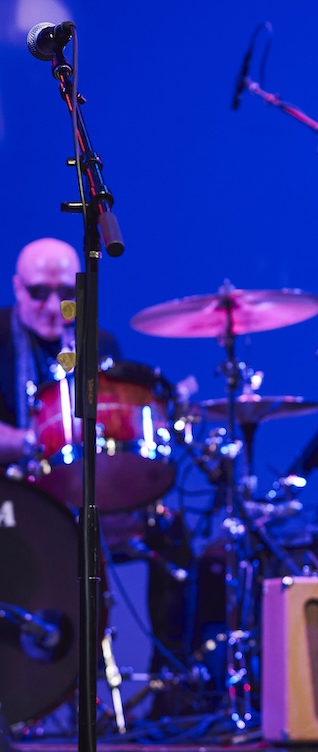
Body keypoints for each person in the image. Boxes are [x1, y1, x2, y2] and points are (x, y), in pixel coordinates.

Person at [0, 237, 192, 721]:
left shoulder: (100, 344)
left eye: (65, 293)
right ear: (17, 288)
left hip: (83, 496)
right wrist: (30, 441)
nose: (51, 306)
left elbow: (115, 429)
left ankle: (170, 695)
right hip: (13, 497)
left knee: (171, 534)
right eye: (39, 293)